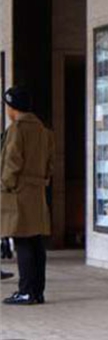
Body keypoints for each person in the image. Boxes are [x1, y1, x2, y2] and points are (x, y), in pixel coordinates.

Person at [1, 86, 55, 305]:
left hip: (18, 193)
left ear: (12, 107)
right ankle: (37, 291)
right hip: (37, 192)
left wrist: (5, 184)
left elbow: (12, 161)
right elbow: (51, 164)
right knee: (36, 242)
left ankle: (25, 291)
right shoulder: (43, 130)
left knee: (22, 240)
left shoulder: (17, 129)